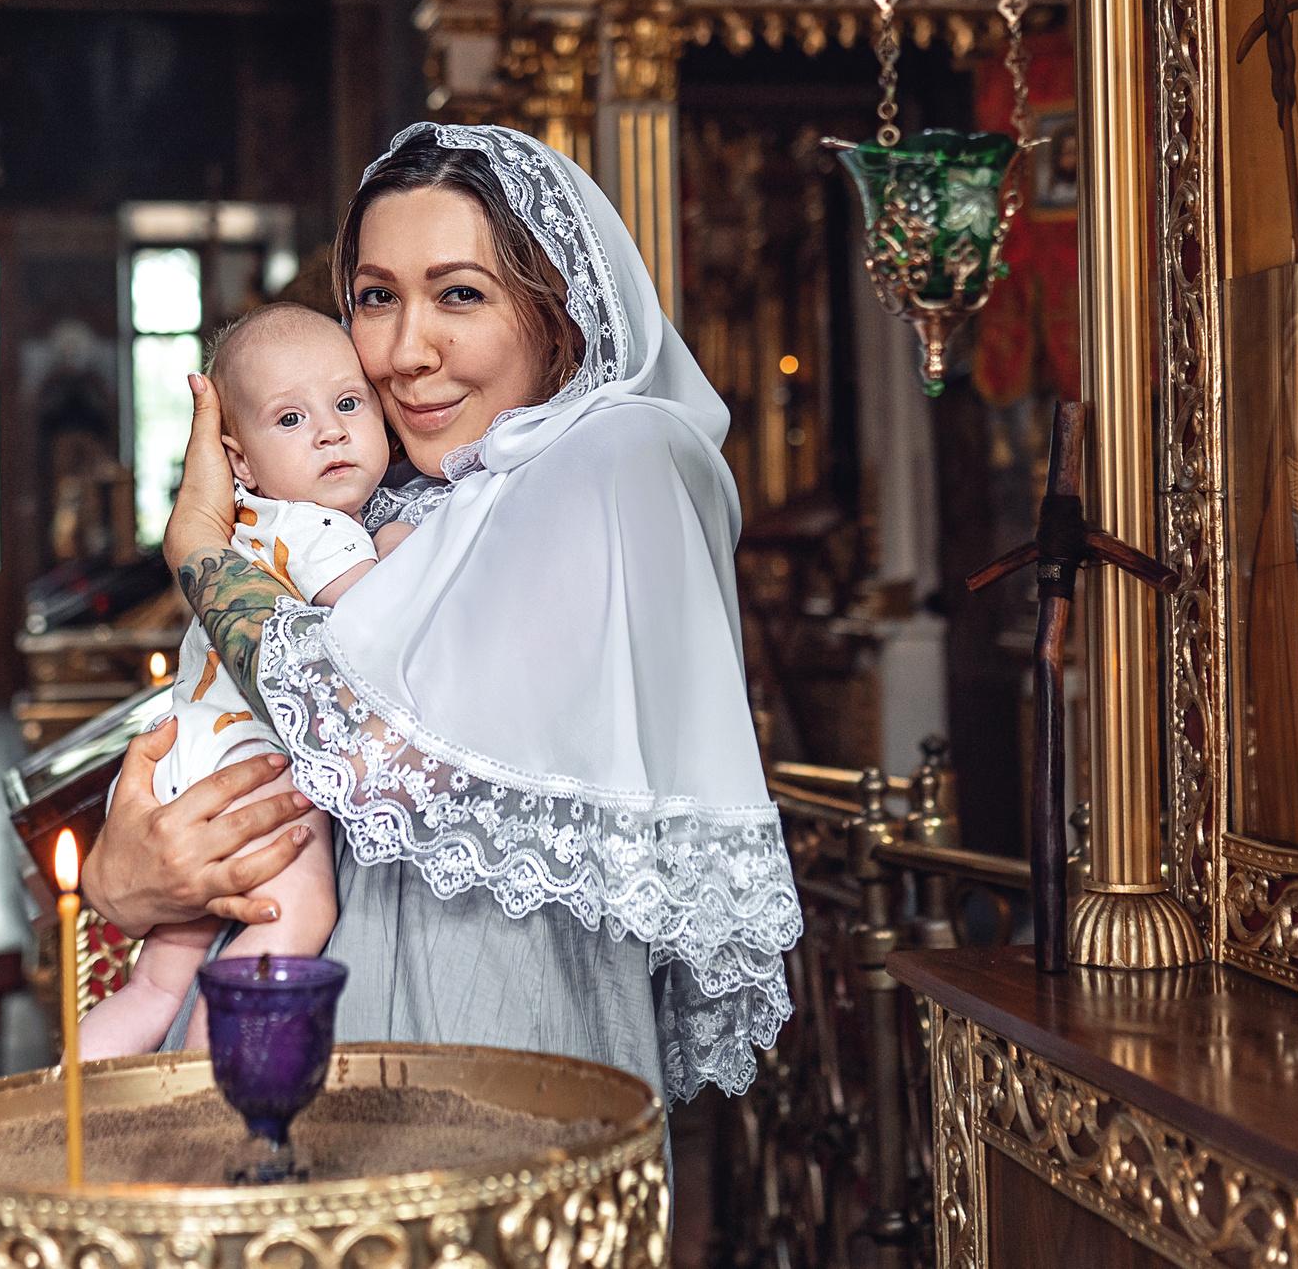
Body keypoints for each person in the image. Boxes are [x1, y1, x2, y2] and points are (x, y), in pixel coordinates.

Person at [81, 123, 799, 1102]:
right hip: (313, 1038)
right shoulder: (389, 504)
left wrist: (202, 549)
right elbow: (236, 756)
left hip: (497, 1050)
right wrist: (130, 878)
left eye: (459, 294)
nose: (407, 352)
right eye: (377, 297)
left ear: (557, 311)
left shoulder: (620, 458)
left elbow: (376, 749)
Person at [74, 304, 409, 1058]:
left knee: (155, 986)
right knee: (298, 916)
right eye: (291, 419)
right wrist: (396, 545)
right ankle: (207, 1088)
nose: (330, 432)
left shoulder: (240, 528)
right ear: (241, 463)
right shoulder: (320, 529)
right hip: (251, 769)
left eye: (349, 404)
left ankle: (68, 1090)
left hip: (184, 762)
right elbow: (381, 623)